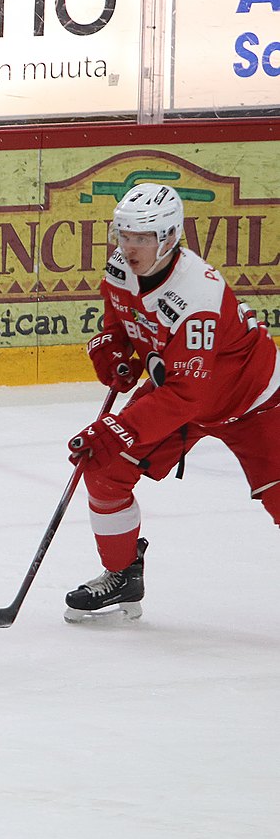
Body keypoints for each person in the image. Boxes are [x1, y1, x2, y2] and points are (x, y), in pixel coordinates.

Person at [64, 183, 280, 622]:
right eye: (124, 236)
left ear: (168, 238)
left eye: (141, 238)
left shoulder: (198, 295)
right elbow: (122, 319)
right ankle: (122, 573)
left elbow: (186, 394)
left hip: (253, 401)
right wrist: (112, 349)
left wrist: (114, 428)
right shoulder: (120, 268)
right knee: (105, 470)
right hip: (184, 394)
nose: (130, 247)